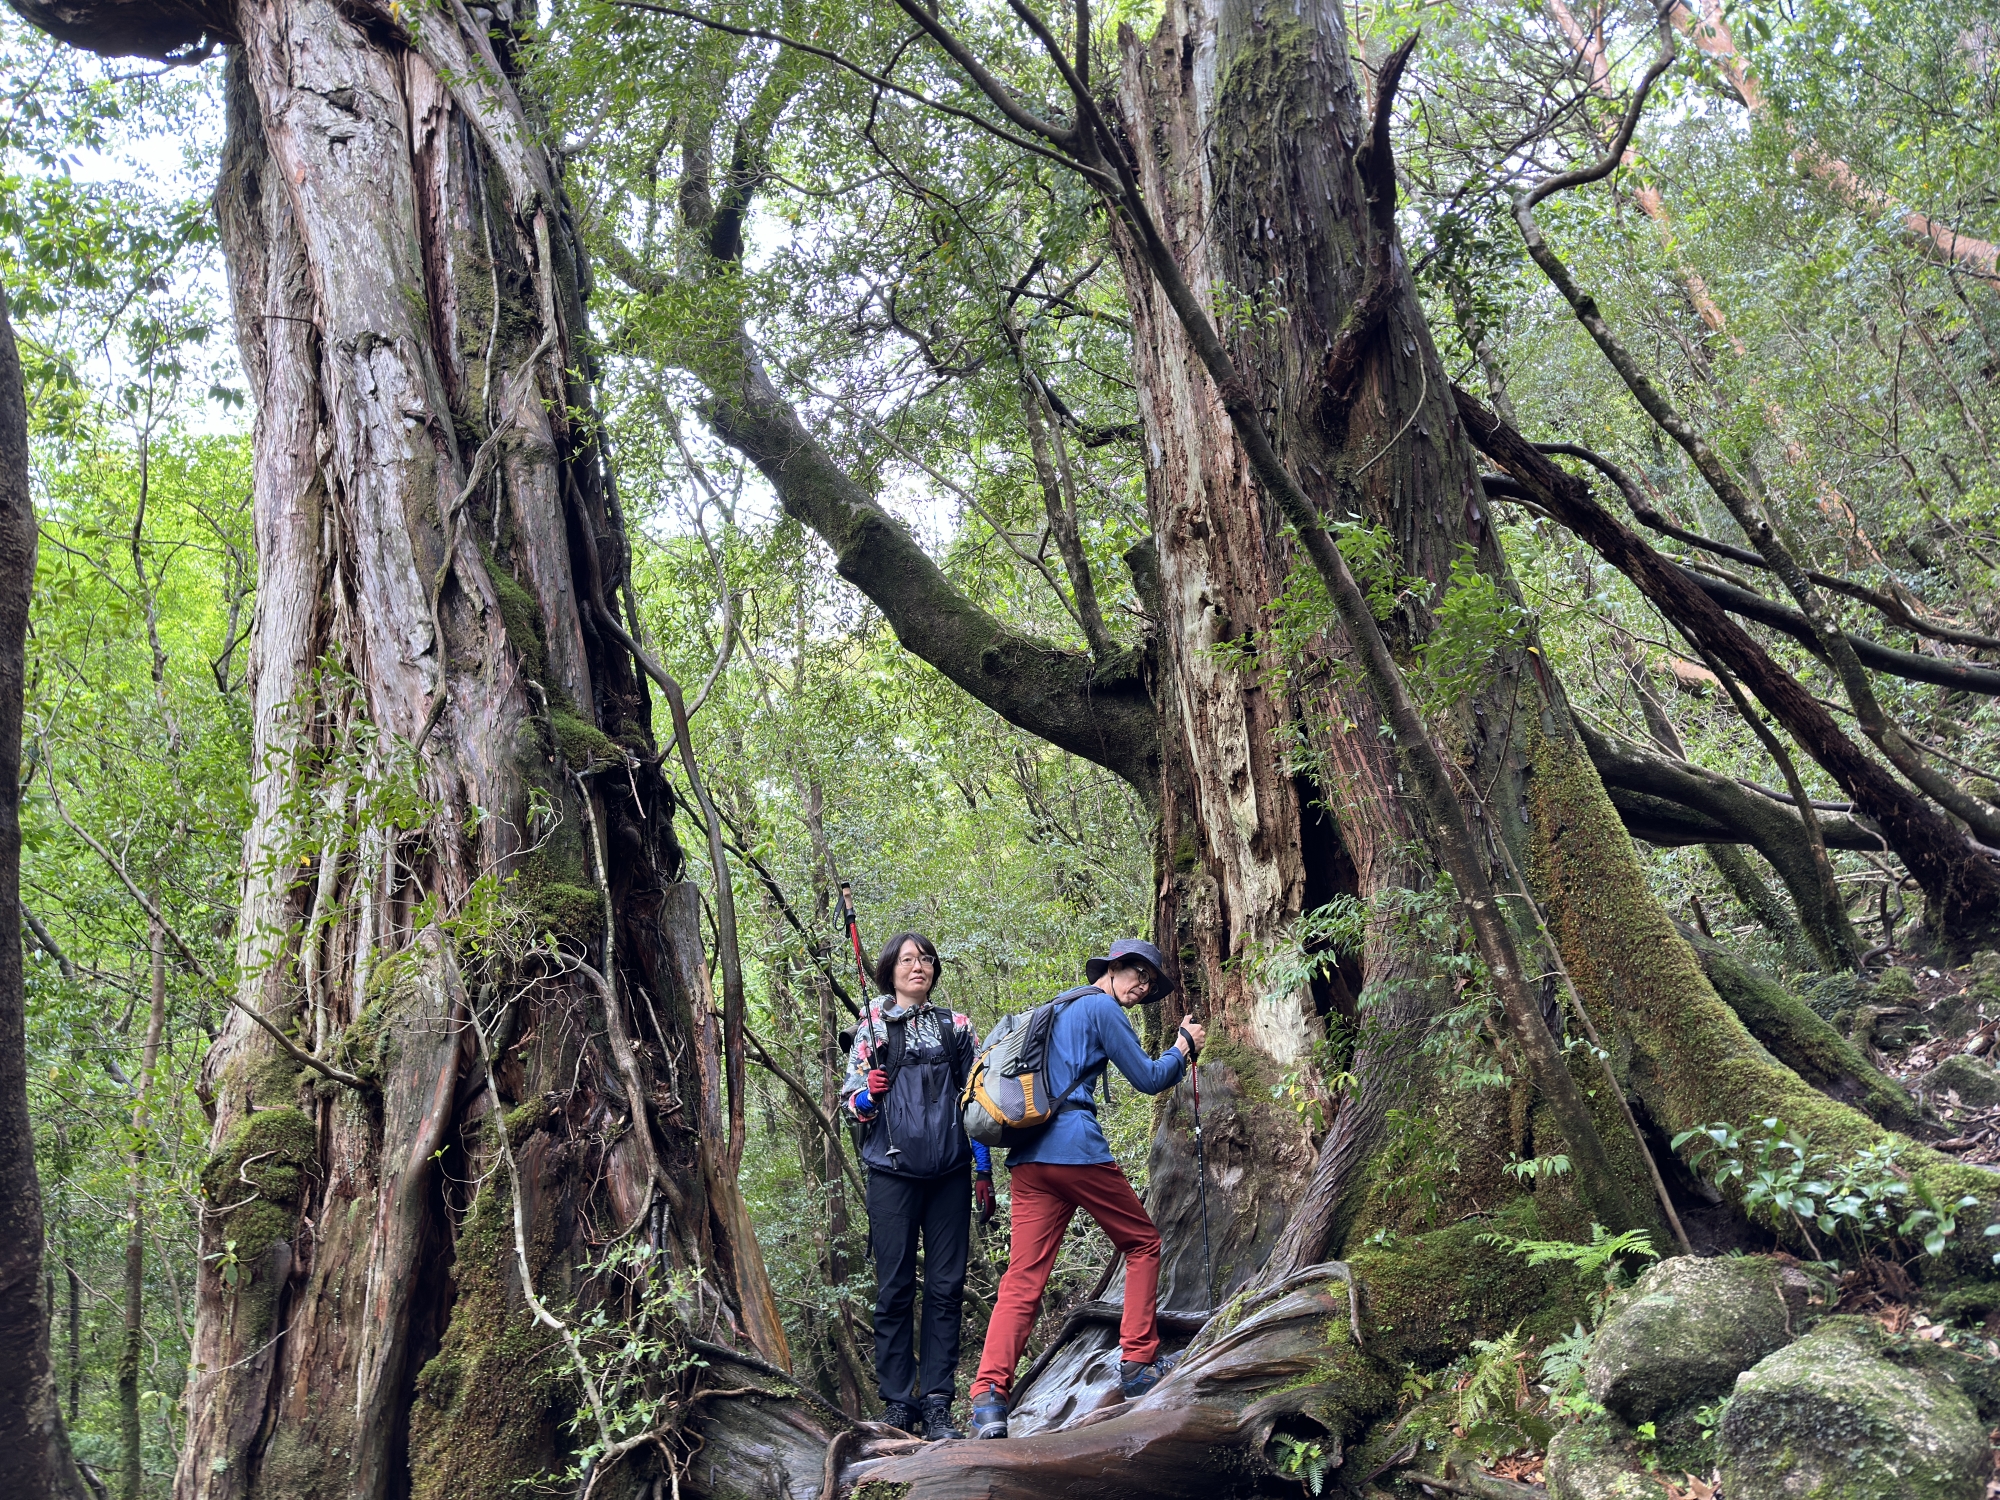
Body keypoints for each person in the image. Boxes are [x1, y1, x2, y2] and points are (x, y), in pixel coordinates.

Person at [967, 937, 1205, 1440]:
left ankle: (988, 1398)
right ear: (1113, 969)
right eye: (1138, 975)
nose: (1143, 988)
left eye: (1149, 983)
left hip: (1029, 1157)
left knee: (1022, 1278)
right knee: (1143, 1243)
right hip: (1075, 1149)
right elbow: (1148, 1078)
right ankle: (1138, 1364)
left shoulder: (1056, 1007)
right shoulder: (1101, 1008)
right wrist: (1182, 1047)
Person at [841, 930, 997, 1441]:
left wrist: (983, 1170)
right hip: (891, 1175)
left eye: (926, 959)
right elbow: (850, 1106)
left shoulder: (958, 1026)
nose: (919, 966)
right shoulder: (872, 1025)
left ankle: (936, 1403)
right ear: (890, 969)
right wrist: (869, 1093)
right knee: (894, 1288)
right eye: (908, 959)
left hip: (950, 1173)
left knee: (946, 1289)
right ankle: (897, 1404)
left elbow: (976, 1101)